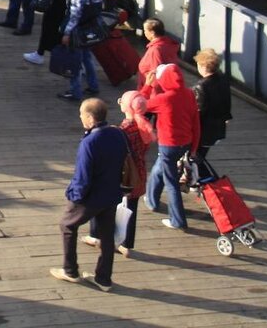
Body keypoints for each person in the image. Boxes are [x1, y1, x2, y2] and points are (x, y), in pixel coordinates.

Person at [51, 97, 128, 293]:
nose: (80, 118)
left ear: (89, 117)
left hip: (92, 196)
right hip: (111, 193)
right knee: (107, 235)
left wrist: (74, 196)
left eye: (81, 115)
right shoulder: (117, 133)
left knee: (67, 225)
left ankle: (70, 270)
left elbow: (83, 176)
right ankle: (104, 279)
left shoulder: (90, 142)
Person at [83, 91, 154, 258]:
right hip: (139, 173)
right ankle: (126, 244)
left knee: (104, 203)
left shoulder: (123, 130)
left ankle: (98, 236)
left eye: (122, 101)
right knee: (131, 210)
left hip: (124, 176)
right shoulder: (143, 126)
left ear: (127, 107)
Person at [145, 63, 200, 230]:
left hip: (168, 144)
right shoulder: (189, 94)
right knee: (158, 169)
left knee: (171, 183)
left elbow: (140, 105)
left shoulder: (164, 99)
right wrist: (194, 148)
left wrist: (149, 86)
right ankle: (152, 200)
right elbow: (196, 123)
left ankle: (177, 220)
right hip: (186, 142)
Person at [58, 0, 102, 101]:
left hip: (77, 32)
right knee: (87, 58)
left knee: (74, 61)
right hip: (90, 30)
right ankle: (93, 85)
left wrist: (67, 33)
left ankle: (75, 91)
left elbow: (75, 16)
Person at [193, 48, 231, 160]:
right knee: (201, 157)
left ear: (203, 66)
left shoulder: (201, 86)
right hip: (217, 128)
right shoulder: (223, 80)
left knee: (195, 159)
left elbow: (199, 111)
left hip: (203, 131)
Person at [136, 19, 180, 97]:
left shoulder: (155, 50)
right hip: (167, 89)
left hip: (152, 93)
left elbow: (156, 75)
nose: (144, 32)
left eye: (145, 30)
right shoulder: (168, 44)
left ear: (152, 33)